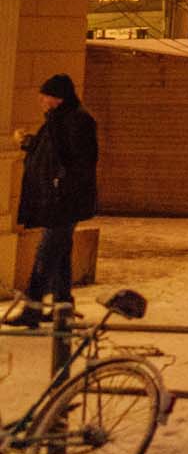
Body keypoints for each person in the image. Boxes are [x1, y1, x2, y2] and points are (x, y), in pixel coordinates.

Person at [11, 75, 97, 330]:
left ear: (58, 97)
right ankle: (63, 308)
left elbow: (78, 161)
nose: (42, 100)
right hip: (55, 198)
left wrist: (62, 185)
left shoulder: (77, 121)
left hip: (64, 201)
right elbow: (50, 152)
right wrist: (28, 142)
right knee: (60, 254)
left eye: (46, 96)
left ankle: (32, 309)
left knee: (47, 253)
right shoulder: (58, 119)